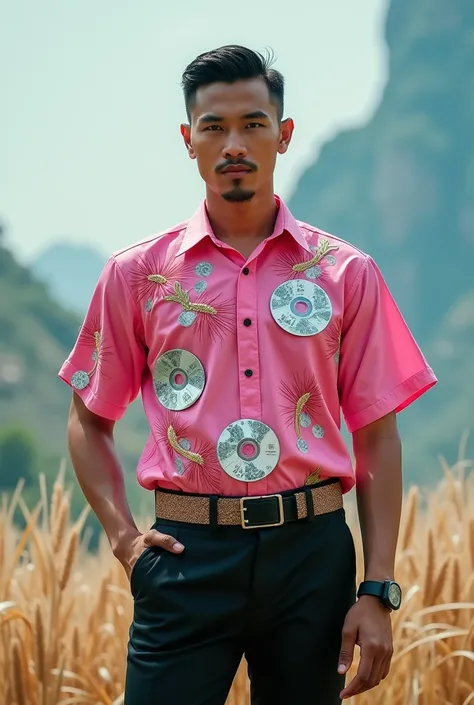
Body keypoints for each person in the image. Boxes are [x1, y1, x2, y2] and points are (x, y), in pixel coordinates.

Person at [59, 45, 437, 705]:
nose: (234, 143)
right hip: (183, 557)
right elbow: (88, 419)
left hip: (313, 558)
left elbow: (377, 436)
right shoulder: (136, 275)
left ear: (283, 134)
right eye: (214, 127)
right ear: (189, 140)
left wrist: (377, 588)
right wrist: (126, 544)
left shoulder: (346, 273)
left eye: (254, 124)